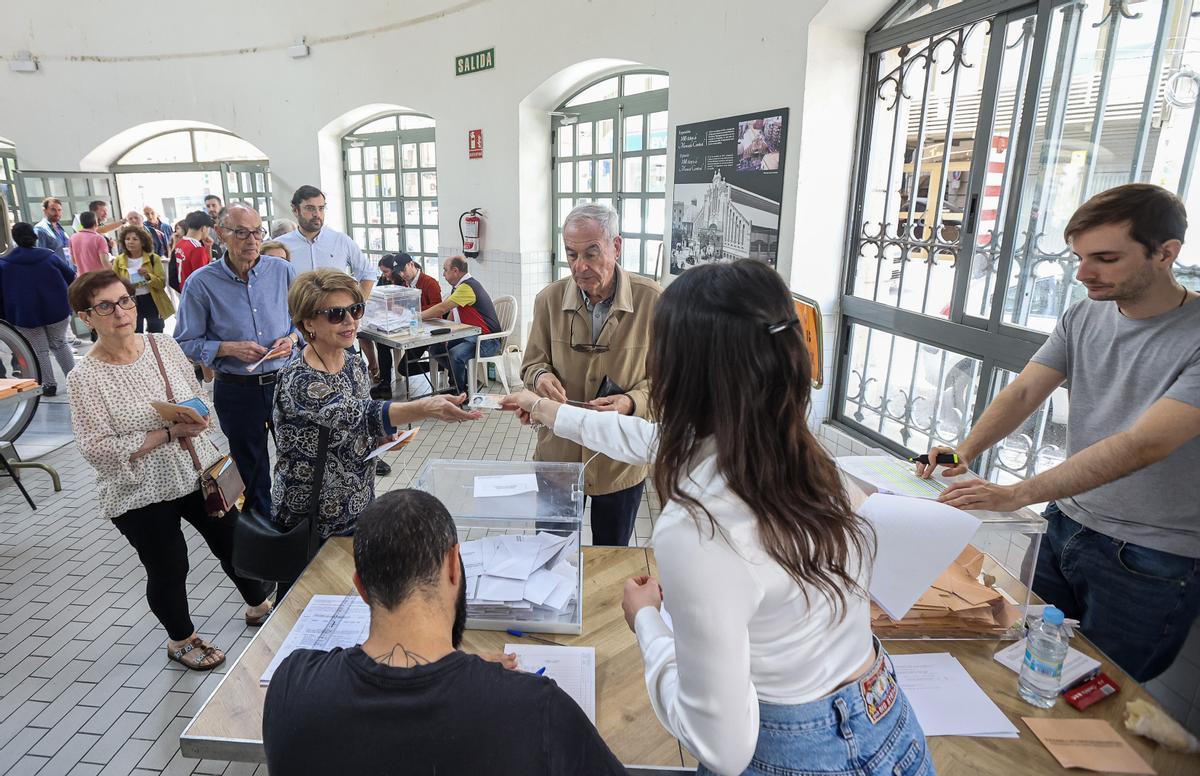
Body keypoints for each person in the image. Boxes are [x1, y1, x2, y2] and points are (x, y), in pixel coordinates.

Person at [502, 260, 931, 776]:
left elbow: (722, 748)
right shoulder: (807, 458)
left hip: (791, 752)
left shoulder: (699, 528)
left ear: (684, 372)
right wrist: (548, 411)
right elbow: (652, 441)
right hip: (888, 724)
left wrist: (647, 623)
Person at [917, 183, 1200, 683]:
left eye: (1105, 258)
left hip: (1150, 557)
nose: (1083, 273)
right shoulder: (1085, 313)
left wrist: (1015, 494)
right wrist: (964, 451)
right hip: (1066, 525)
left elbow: (1146, 443)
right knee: (1020, 659)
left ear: (1166, 253)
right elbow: (1026, 391)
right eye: (1078, 256)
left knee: (1100, 693)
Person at [262, 488, 628, 775]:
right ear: (455, 565)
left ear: (361, 587)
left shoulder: (291, 687)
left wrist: (460, 669)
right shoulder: (537, 709)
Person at [66, 269, 273, 672]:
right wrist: (167, 432)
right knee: (169, 563)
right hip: (137, 489)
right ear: (86, 317)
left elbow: (195, 395)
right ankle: (181, 639)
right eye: (105, 306)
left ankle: (258, 605)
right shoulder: (84, 378)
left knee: (233, 541)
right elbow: (97, 450)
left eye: (124, 300)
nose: (120, 312)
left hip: (196, 471)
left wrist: (195, 417)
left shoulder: (162, 345)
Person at [270, 269, 481, 596]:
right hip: (309, 515)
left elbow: (363, 424)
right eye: (336, 314)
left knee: (350, 596)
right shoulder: (298, 379)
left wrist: (382, 438)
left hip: (356, 504)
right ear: (308, 323)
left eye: (356, 310)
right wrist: (426, 406)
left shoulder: (352, 362)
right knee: (302, 604)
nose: (350, 321)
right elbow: (357, 413)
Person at [521, 203, 661, 547]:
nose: (579, 266)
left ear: (616, 246)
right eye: (571, 255)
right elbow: (531, 364)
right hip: (559, 457)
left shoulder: (653, 302)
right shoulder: (549, 301)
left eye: (591, 253)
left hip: (619, 461)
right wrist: (540, 378)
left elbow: (669, 383)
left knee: (610, 557)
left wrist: (631, 401)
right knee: (550, 553)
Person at [175, 203, 298, 518]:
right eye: (241, 232)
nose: (251, 241)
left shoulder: (281, 270)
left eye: (257, 232)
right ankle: (263, 538)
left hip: (285, 382)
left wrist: (292, 339)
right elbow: (185, 343)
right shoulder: (202, 283)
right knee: (252, 468)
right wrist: (227, 348)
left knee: (298, 458)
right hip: (237, 390)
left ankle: (299, 529)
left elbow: (303, 320)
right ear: (220, 234)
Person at [277, 185, 380, 377]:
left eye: (321, 208)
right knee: (301, 382)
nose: (317, 214)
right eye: (310, 208)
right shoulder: (282, 245)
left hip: (336, 328)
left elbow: (367, 274)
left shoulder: (340, 240)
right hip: (298, 332)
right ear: (295, 209)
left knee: (347, 381)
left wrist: (354, 309)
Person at [0, 223, 77, 396]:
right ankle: (75, 381)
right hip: (56, 310)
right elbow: (71, 276)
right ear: (34, 236)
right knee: (60, 344)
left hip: (24, 315)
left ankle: (49, 385)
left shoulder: (4, 263)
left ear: (14, 238)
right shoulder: (49, 256)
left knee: (38, 350)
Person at [420, 256, 501, 395]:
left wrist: (416, 317)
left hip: (488, 340)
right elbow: (453, 312)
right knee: (436, 348)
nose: (443, 274)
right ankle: (469, 381)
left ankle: (460, 394)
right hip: (470, 335)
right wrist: (446, 335)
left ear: (455, 271)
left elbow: (442, 308)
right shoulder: (458, 287)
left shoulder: (467, 287)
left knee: (455, 355)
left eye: (445, 270)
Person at [373, 253, 443, 399]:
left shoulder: (430, 283)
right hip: (410, 327)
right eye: (398, 271)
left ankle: (441, 366)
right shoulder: (405, 285)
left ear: (411, 264)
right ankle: (385, 382)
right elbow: (401, 307)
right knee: (382, 342)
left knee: (404, 369)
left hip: (427, 330)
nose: (402, 274)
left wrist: (412, 311)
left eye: (404, 270)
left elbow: (438, 310)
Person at [113, 225, 173, 333]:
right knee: (135, 332)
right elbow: (114, 283)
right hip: (130, 301)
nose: (130, 242)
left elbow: (161, 283)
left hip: (152, 299)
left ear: (143, 242)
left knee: (156, 331)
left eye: (135, 239)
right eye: (127, 239)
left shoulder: (153, 258)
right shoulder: (119, 260)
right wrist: (127, 285)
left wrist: (148, 276)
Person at [174, 210, 215, 290]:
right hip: (196, 293)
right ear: (203, 228)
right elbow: (205, 276)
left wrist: (208, 248)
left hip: (185, 289)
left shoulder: (180, 244)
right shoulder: (197, 249)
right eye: (208, 228)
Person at [33, 197, 72, 261]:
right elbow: (39, 256)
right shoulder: (40, 229)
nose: (57, 213)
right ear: (45, 211)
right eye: (53, 210)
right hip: (53, 269)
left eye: (59, 210)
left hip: (66, 268)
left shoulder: (60, 228)